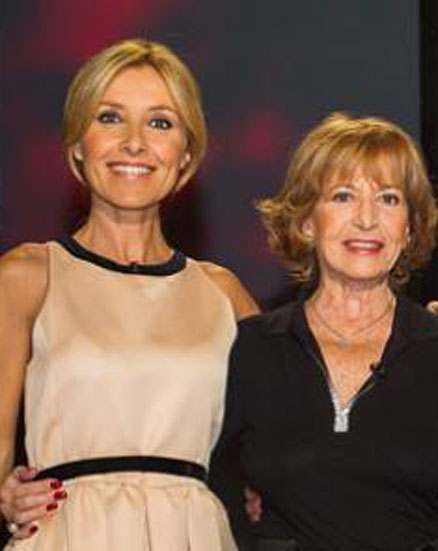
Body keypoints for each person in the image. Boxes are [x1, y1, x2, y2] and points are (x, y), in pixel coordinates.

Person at [0, 38, 257, 550]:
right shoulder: (26, 276)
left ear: (187, 153)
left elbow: (306, 421)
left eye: (160, 122)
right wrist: (4, 494)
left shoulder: (221, 293)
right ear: (78, 143)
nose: (134, 142)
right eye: (110, 118)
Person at [214, 113, 438, 551]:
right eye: (343, 196)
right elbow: (215, 497)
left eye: (388, 199)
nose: (367, 219)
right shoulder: (250, 351)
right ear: (307, 222)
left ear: (409, 228)